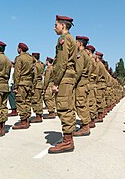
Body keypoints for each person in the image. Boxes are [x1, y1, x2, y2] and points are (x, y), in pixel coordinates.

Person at [48, 15, 77, 154]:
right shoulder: (71, 39)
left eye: (56, 25)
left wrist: (55, 82)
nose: (54, 28)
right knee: (68, 107)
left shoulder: (63, 39)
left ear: (63, 26)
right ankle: (68, 139)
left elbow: (61, 62)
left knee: (64, 108)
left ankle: (67, 141)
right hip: (68, 77)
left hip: (64, 78)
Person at [12, 43, 35, 129]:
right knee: (27, 101)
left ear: (20, 49)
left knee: (21, 102)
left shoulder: (19, 58)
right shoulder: (31, 58)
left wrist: (15, 86)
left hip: (21, 83)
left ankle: (23, 121)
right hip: (29, 83)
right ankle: (27, 119)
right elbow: (33, 72)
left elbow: (17, 73)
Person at [72, 36, 92, 137]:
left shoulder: (81, 55)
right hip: (84, 84)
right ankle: (85, 124)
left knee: (81, 105)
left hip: (80, 84)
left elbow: (78, 71)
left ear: (80, 43)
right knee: (83, 104)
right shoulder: (86, 55)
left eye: (76, 42)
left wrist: (72, 83)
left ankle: (85, 126)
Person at [30, 52, 45, 123]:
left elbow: (35, 77)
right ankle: (39, 114)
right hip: (40, 84)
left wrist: (32, 87)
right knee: (39, 100)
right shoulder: (41, 64)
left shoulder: (35, 65)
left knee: (35, 100)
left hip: (36, 85)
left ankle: (38, 116)